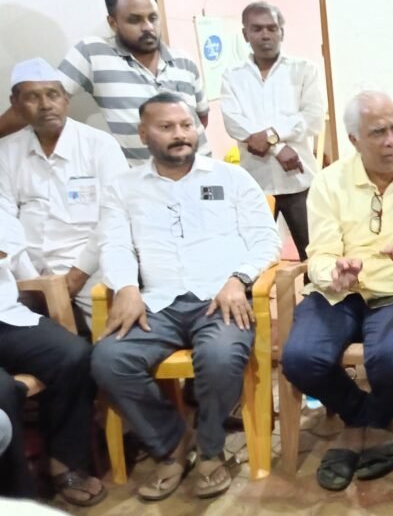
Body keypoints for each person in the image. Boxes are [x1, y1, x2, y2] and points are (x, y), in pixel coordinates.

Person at [90, 93, 279, 501]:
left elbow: (266, 239)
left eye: (186, 125)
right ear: (144, 134)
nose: (180, 134)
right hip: (155, 304)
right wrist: (125, 287)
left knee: (220, 356)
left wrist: (238, 279)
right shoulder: (123, 188)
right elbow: (114, 244)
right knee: (108, 359)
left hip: (220, 299)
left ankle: (210, 450)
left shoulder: (231, 179)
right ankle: (173, 442)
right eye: (166, 127)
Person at [280, 90, 393, 492]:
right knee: (300, 359)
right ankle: (366, 420)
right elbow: (319, 254)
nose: (391, 141)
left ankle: (366, 427)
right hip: (341, 294)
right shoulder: (329, 181)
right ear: (354, 140)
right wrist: (334, 271)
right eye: (378, 133)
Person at [0, 0, 210, 165]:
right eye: (135, 20)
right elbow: (44, 101)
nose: (148, 27)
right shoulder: (94, 54)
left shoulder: (185, 61)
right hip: (144, 184)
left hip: (202, 173)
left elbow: (201, 117)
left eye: (153, 17)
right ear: (113, 23)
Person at [0, 58, 129, 331]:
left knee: (110, 339)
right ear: (15, 103)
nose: (45, 105)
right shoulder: (7, 152)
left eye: (53, 95)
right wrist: (34, 281)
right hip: (26, 271)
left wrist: (76, 275)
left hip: (91, 269)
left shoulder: (99, 145)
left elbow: (115, 217)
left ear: (66, 99)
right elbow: (4, 219)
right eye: (32, 97)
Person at [0, 210, 104, 506]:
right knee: (3, 391)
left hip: (6, 318)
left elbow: (16, 261)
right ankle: (16, 498)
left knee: (73, 355)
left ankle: (64, 462)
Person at [221, 1, 326, 261]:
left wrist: (270, 136)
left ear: (282, 32)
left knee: (314, 256)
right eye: (257, 29)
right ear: (245, 34)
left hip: (298, 180)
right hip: (254, 184)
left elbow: (313, 118)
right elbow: (234, 123)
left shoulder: (304, 70)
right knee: (253, 258)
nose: (265, 35)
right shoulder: (232, 75)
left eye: (272, 28)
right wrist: (278, 147)